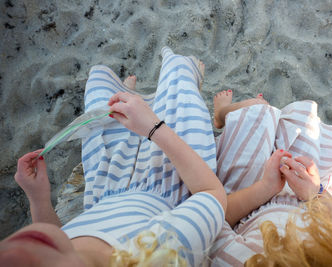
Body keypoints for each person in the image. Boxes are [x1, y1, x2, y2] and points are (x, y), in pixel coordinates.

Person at [0, 47, 227, 267]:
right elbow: (213, 194)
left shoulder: (54, 251)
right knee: (177, 73)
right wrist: (153, 127)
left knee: (100, 90)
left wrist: (38, 197)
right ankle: (174, 84)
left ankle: (130, 93)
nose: (12, 255)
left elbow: (57, 239)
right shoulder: (156, 252)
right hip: (170, 183)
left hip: (106, 185)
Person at [208, 90, 332, 266]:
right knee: (309, 126)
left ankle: (222, 115)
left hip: (247, 199)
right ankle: (265, 121)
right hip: (306, 199)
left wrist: (265, 188)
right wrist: (317, 193)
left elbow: (214, 218)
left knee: (258, 111)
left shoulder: (249, 260)